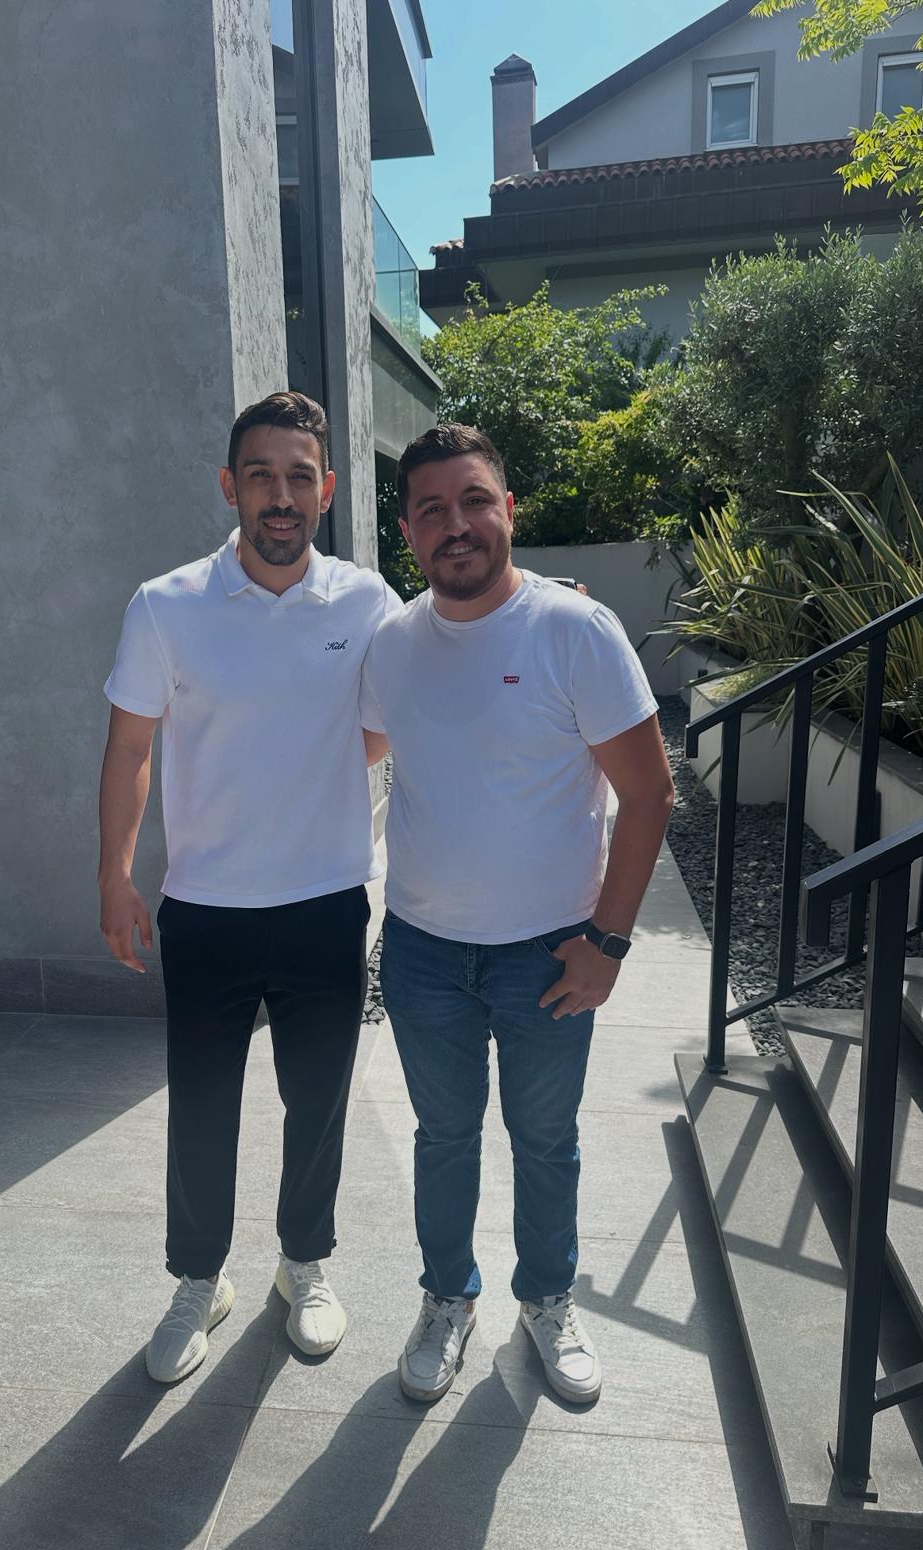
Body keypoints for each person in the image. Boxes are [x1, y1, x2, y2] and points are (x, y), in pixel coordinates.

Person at [359, 423, 674, 1406]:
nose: (455, 524)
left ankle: (546, 1298)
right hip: (422, 951)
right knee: (443, 1136)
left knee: (545, 1140)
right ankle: (447, 1298)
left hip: (549, 951)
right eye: (432, 509)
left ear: (507, 508)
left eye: (474, 500)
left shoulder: (574, 630)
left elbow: (650, 793)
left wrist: (608, 943)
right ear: (408, 530)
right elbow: (350, 752)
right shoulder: (393, 643)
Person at [98, 392, 396, 1383]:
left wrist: (307, 774)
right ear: (231, 485)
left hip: (324, 904)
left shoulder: (365, 603)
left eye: (299, 476)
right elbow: (131, 748)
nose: (281, 495)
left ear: (328, 489)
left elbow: (384, 724)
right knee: (201, 1106)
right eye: (261, 475)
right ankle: (199, 1280)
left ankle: (303, 1266)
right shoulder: (166, 605)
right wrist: (115, 875)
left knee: (318, 1101)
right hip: (206, 908)